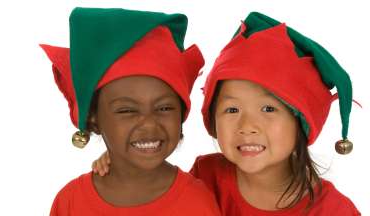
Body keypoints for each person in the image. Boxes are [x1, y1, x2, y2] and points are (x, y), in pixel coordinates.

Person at [93, 12, 361, 215]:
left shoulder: (334, 210)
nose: (247, 125)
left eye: (268, 109)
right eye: (232, 109)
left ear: (301, 120)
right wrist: (125, 162)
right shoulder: (206, 175)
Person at [41, 7, 221, 216]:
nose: (149, 124)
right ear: (93, 118)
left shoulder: (197, 202)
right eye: (127, 110)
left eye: (164, 108)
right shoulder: (70, 202)